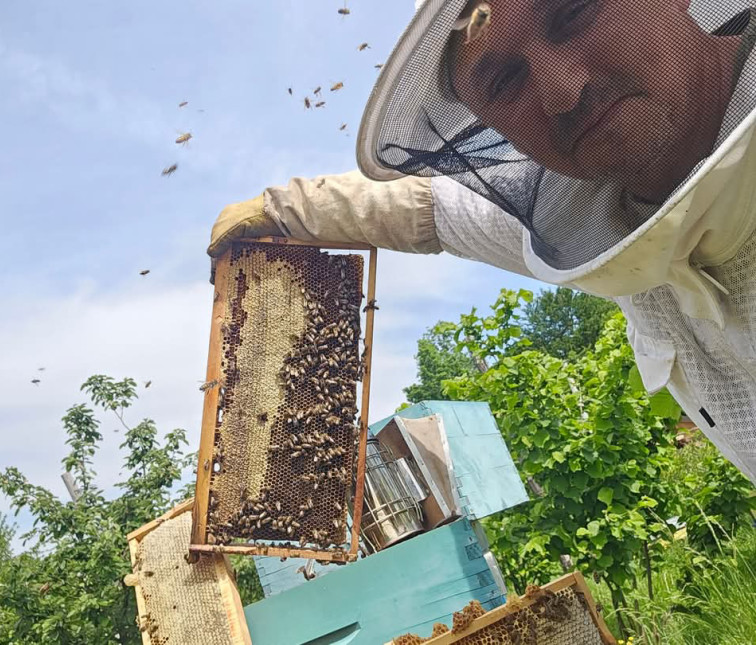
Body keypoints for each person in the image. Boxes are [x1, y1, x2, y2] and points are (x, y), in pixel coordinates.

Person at [208, 0, 756, 483]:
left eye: (574, 12)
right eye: (504, 82)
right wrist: (281, 209)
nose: (563, 91)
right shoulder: (582, 211)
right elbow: (431, 207)